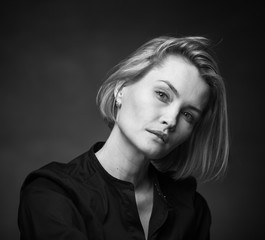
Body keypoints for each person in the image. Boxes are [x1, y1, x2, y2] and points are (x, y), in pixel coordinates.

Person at [18, 35, 229, 240]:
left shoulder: (191, 210)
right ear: (121, 89)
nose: (171, 120)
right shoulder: (51, 194)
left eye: (187, 115)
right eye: (162, 95)